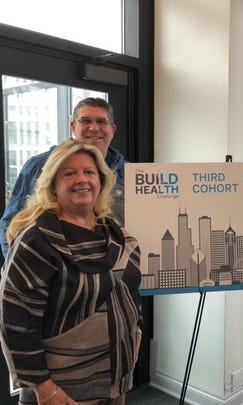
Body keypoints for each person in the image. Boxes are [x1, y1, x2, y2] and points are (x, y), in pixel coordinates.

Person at [0, 139, 141, 405]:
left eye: (89, 172)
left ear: (101, 181)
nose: (82, 179)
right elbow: (15, 323)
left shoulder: (118, 235)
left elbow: (129, 290)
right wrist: (43, 387)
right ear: (53, 184)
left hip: (115, 381)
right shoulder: (37, 241)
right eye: (69, 173)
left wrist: (136, 332)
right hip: (60, 392)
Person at [0, 97, 126, 257]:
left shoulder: (131, 174)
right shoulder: (38, 166)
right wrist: (15, 260)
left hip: (109, 268)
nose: (94, 128)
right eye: (85, 121)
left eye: (101, 122)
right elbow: (12, 221)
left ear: (112, 129)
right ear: (73, 126)